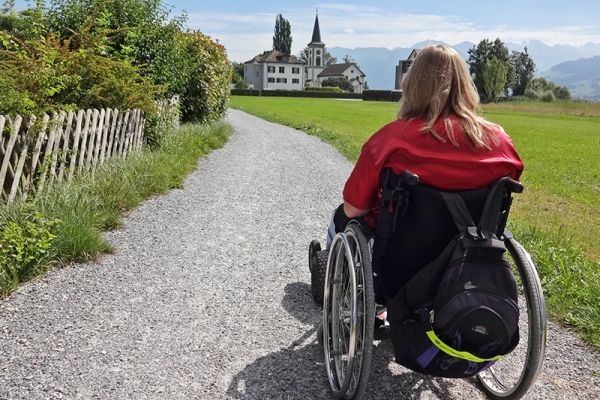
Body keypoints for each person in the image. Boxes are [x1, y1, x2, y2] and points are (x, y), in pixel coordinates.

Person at [314, 44, 524, 316]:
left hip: (398, 268)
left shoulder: (391, 139)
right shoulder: (500, 142)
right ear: (466, 86)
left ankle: (343, 300)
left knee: (340, 219)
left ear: (412, 85)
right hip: (473, 266)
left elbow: (354, 209)